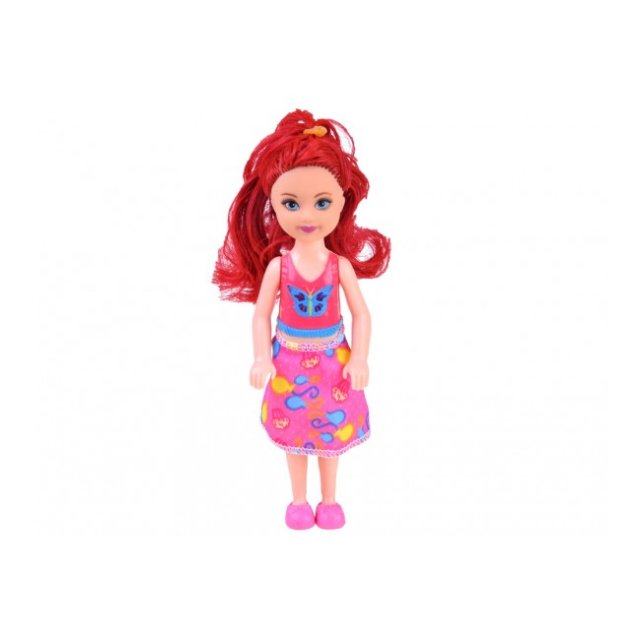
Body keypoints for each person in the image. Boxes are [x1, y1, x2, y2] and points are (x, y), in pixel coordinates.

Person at [212, 109, 390, 529]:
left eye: (322, 202)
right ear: (274, 205)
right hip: (288, 363)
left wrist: (360, 358)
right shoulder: (280, 267)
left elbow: (362, 314)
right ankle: (298, 500)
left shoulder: (339, 267)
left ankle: (329, 500)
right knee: (294, 435)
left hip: (334, 363)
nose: (307, 215)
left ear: (342, 202)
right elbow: (261, 315)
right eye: (291, 203)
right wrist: (262, 357)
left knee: (330, 436)